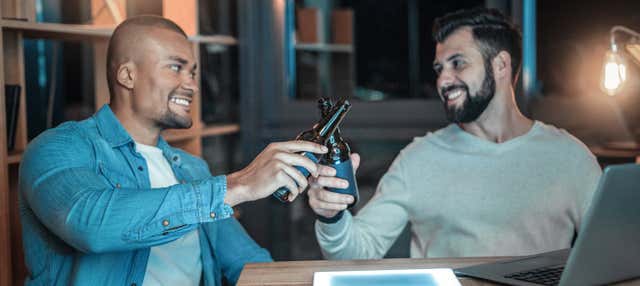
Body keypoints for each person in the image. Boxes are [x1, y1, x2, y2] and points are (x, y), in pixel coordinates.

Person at [19, 15, 335, 285]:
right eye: (176, 67)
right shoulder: (57, 148)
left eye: (193, 72)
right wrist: (238, 185)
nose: (192, 85)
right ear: (127, 75)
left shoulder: (192, 169)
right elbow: (91, 225)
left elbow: (248, 264)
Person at [307, 8, 602, 259]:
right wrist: (331, 216)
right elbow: (358, 252)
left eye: (458, 63)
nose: (443, 80)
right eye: (439, 69)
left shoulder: (569, 156)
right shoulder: (418, 158)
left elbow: (612, 251)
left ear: (500, 65)